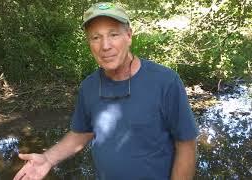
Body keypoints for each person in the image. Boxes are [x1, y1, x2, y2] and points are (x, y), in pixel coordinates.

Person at [13, 2, 198, 180]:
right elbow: (82, 133)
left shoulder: (165, 81)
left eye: (113, 34)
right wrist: (48, 158)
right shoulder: (89, 86)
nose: (105, 46)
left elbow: (186, 144)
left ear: (129, 36)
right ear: (89, 43)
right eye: (96, 37)